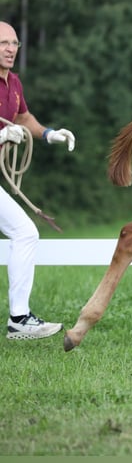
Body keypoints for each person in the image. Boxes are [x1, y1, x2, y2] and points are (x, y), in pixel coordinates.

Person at [0, 21, 75, 340]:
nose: (10, 48)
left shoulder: (13, 82)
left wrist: (47, 134)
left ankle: (19, 319)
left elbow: (22, 117)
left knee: (25, 232)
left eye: (14, 43)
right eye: (3, 42)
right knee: (24, 232)